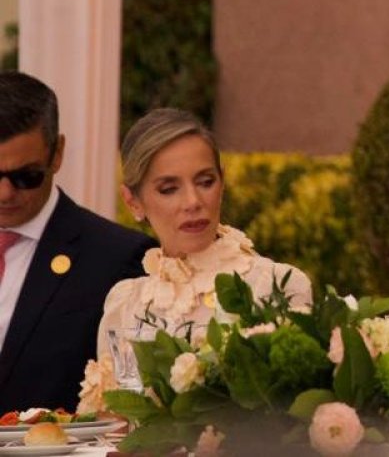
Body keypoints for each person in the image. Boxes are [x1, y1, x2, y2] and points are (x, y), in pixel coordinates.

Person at [84, 108, 312, 404]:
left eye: (205, 182)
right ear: (133, 202)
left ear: (223, 182)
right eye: (169, 189)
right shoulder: (124, 305)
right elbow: (118, 424)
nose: (193, 202)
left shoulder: (277, 285)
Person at [0, 71, 153, 411]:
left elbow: (134, 401)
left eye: (26, 176)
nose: (5, 193)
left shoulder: (118, 260)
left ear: (57, 154)